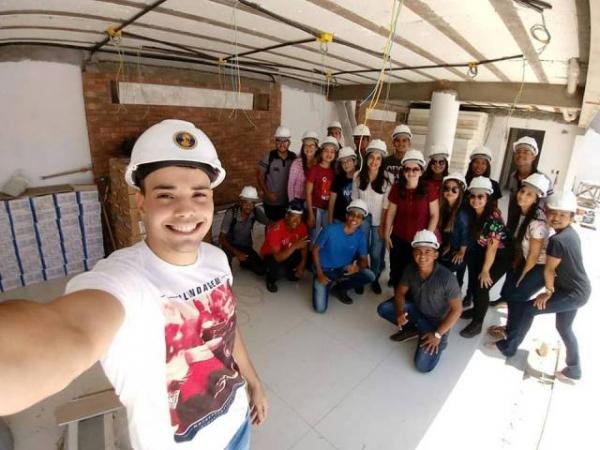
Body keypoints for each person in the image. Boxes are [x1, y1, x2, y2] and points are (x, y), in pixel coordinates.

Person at [0, 120, 267, 450]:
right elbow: (65, 331)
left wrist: (252, 381)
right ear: (141, 203)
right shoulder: (124, 281)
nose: (186, 209)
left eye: (199, 193)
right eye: (166, 194)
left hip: (238, 425)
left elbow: (227, 328)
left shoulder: (215, 259)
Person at [491, 191, 591, 381]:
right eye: (553, 213)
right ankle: (575, 368)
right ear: (546, 212)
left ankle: (509, 348)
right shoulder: (571, 233)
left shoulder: (557, 240)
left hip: (572, 293)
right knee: (564, 329)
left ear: (572, 216)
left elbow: (548, 270)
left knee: (528, 310)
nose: (557, 218)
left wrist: (548, 292)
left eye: (563, 214)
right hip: (579, 290)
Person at [377, 230, 462, 372]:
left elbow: (457, 310)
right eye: (418, 251)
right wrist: (399, 312)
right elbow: (400, 293)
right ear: (413, 253)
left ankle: (436, 338)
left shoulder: (447, 278)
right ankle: (413, 330)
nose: (422, 255)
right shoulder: (410, 269)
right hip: (417, 312)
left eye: (428, 251)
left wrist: (438, 334)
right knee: (384, 309)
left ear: (436, 254)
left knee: (422, 366)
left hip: (437, 324)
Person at [487, 173, 552, 340]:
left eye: (529, 194)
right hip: (526, 260)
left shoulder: (537, 221)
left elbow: (534, 254)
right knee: (510, 293)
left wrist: (522, 276)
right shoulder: (523, 212)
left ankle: (512, 337)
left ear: (537, 198)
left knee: (517, 297)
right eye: (523, 191)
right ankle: (509, 328)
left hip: (539, 266)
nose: (522, 195)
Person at [460, 176, 510, 338]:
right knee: (475, 282)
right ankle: (476, 309)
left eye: (480, 196)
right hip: (482, 251)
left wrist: (486, 270)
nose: (476, 200)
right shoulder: (473, 212)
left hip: (501, 256)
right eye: (473, 196)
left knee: (482, 285)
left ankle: (477, 323)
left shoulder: (493, 218)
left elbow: (493, 248)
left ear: (488, 198)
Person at [384, 150, 439, 288]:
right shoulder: (397, 188)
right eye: (407, 169)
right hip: (398, 237)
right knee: (396, 269)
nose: (411, 172)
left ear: (421, 171)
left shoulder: (429, 188)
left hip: (418, 240)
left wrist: (427, 237)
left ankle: (410, 299)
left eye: (415, 169)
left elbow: (434, 215)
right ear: (403, 171)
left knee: (414, 271)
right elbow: (391, 213)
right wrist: (386, 234)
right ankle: (397, 298)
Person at [311, 199, 375, 312]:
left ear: (362, 220)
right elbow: (315, 250)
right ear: (346, 215)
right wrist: (320, 274)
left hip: (343, 268)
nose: (355, 219)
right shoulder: (330, 229)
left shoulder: (360, 236)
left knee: (370, 275)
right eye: (352, 215)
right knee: (320, 309)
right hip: (324, 269)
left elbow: (364, 259)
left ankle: (339, 288)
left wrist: (358, 267)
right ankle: (320, 280)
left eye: (359, 217)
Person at [352, 139, 392, 294]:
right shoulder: (357, 176)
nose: (374, 161)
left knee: (376, 252)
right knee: (362, 250)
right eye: (371, 157)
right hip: (362, 218)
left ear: (382, 161)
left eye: (378, 158)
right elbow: (355, 201)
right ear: (366, 157)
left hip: (378, 219)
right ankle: (361, 278)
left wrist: (383, 226)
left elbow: (387, 205)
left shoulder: (388, 178)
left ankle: (373, 278)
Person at [219, 186, 270, 276]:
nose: (249, 207)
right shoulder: (231, 213)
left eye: (252, 203)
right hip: (229, 246)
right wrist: (237, 253)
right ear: (240, 202)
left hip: (244, 245)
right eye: (246, 203)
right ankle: (230, 262)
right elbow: (221, 238)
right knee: (226, 274)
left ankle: (244, 262)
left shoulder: (255, 211)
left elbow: (270, 224)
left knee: (261, 270)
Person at [260, 199, 309, 293]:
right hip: (270, 255)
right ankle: (270, 279)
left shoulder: (302, 226)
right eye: (294, 217)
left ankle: (288, 271)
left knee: (305, 258)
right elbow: (278, 257)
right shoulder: (276, 229)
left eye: (299, 218)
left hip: (287, 250)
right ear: (286, 216)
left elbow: (304, 246)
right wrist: (295, 246)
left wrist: (302, 264)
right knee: (279, 270)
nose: (297, 221)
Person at [506, 137, 552, 234]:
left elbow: (549, 207)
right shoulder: (513, 176)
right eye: (518, 151)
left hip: (533, 230)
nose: (521, 154)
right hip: (513, 225)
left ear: (533, 157)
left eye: (526, 151)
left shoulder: (543, 180)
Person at [256, 125, 296, 221]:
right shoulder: (269, 157)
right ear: (275, 141)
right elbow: (259, 176)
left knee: (284, 228)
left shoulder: (293, 158)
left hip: (288, 202)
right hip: (271, 202)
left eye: (285, 140)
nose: (282, 144)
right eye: (279, 140)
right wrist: (267, 193)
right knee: (270, 227)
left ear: (289, 142)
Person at [438, 173, 471, 280]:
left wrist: (462, 251)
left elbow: (465, 233)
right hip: (448, 246)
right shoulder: (443, 208)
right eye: (446, 189)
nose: (449, 192)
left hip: (459, 249)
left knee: (443, 272)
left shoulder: (462, 213)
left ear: (460, 192)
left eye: (454, 189)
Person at [305, 136, 338, 243]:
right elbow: (308, 192)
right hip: (315, 209)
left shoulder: (335, 171)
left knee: (326, 238)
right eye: (326, 151)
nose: (329, 154)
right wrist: (310, 213)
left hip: (328, 210)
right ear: (321, 152)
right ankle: (311, 259)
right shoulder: (315, 169)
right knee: (313, 238)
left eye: (332, 151)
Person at [287, 130, 319, 204]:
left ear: (316, 148)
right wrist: (292, 202)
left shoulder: (319, 164)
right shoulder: (296, 163)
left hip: (314, 201)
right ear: (303, 147)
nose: (309, 147)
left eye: (312, 145)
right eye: (306, 145)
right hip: (297, 201)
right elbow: (291, 185)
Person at [328, 146, 357, 224]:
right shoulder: (338, 179)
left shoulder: (360, 178)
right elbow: (332, 201)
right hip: (339, 219)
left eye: (348, 161)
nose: (346, 164)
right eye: (343, 162)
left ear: (355, 162)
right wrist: (330, 221)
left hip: (355, 220)